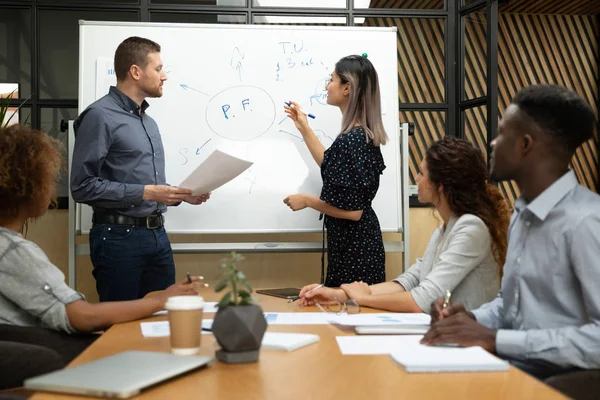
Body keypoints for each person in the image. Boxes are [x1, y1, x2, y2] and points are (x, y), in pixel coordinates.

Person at [421, 84, 600, 380]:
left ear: (525, 144)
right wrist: (467, 319)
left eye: (502, 133)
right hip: (511, 371)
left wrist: (495, 340)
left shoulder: (586, 221)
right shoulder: (523, 216)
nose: (492, 143)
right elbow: (511, 305)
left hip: (557, 386)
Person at [0, 124, 201, 335]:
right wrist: (162, 300)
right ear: (30, 186)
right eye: (50, 179)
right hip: (44, 353)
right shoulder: (12, 251)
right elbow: (81, 317)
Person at [299, 137, 511, 313]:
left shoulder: (471, 228)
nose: (417, 179)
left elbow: (421, 300)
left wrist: (362, 298)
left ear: (441, 186)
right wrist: (337, 294)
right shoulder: (444, 230)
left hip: (468, 347)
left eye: (421, 173)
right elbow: (409, 281)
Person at [70, 36, 210, 302]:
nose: (164, 76)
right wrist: (146, 193)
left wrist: (181, 195)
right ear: (135, 71)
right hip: (118, 239)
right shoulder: (100, 116)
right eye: (158, 68)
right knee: (121, 324)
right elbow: (82, 186)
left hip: (157, 236)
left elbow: (145, 183)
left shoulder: (149, 122)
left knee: (164, 318)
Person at [283, 55, 388, 286]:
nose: (327, 86)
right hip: (355, 244)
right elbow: (332, 166)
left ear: (347, 88)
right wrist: (304, 128)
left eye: (331, 80)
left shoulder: (352, 140)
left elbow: (354, 212)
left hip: (356, 250)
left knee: (352, 312)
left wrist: (308, 200)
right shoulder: (358, 135)